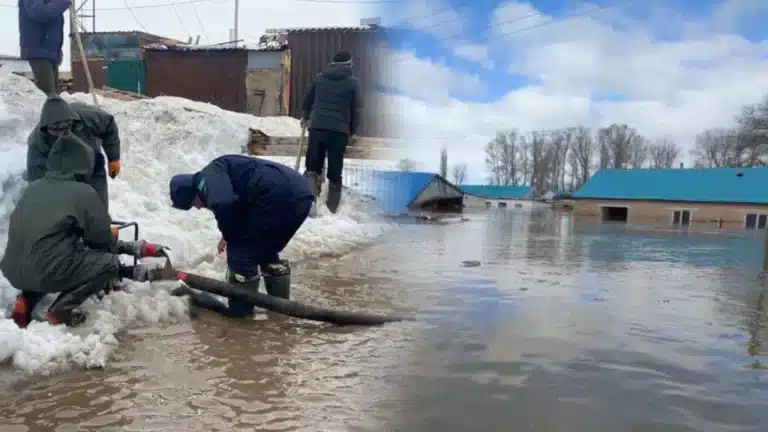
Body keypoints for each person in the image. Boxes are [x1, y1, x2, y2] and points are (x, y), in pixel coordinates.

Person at [1, 134, 169, 328]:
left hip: (14, 271)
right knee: (108, 264)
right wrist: (114, 238)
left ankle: (26, 301)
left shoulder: (34, 187)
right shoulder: (82, 192)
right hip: (44, 269)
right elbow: (99, 240)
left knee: (49, 256)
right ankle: (60, 311)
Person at [168, 155, 314, 318]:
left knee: (241, 254)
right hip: (301, 194)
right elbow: (239, 204)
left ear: (192, 193)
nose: (196, 207)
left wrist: (230, 236)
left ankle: (241, 316)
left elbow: (224, 204)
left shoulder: (208, 180)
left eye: (192, 204)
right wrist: (228, 234)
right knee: (266, 250)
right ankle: (280, 311)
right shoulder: (215, 173)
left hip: (277, 196)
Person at [26, 95, 121, 213]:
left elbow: (108, 126)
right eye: (55, 131)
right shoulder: (37, 142)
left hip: (92, 162)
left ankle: (99, 224)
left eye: (64, 129)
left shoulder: (87, 116)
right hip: (62, 170)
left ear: (71, 122)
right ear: (46, 128)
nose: (61, 135)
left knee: (97, 204)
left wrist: (113, 157)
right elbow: (36, 179)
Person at [300, 49, 362, 214]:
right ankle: (332, 210)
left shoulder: (319, 78)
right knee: (335, 170)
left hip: (317, 128)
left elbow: (307, 100)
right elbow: (356, 109)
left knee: (313, 166)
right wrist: (353, 129)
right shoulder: (352, 82)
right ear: (348, 64)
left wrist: (305, 117)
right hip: (339, 131)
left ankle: (309, 204)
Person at [18, 0, 71, 95]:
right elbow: (39, 12)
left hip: (50, 51)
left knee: (52, 92)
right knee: (48, 93)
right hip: (39, 50)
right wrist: (62, 2)